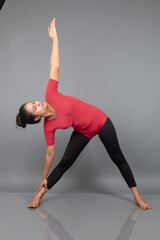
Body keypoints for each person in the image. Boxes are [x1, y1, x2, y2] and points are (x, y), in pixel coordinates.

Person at [16, 18, 151, 210]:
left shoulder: (50, 94)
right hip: (83, 131)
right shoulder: (49, 127)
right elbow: (50, 155)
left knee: (118, 158)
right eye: (34, 107)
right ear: (37, 117)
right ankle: (39, 196)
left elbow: (55, 66)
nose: (37, 103)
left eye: (34, 102)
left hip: (100, 120)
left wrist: (54, 39)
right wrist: (44, 176)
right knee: (65, 162)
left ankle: (137, 197)